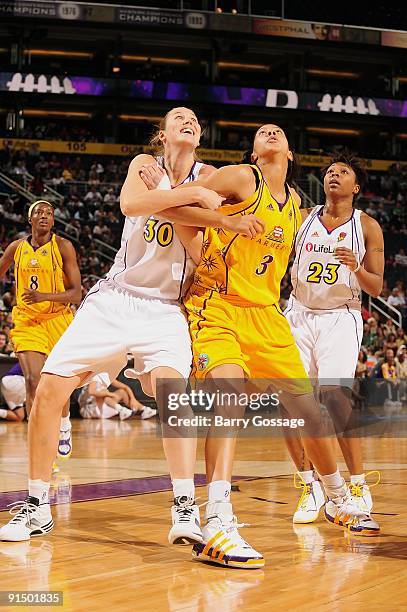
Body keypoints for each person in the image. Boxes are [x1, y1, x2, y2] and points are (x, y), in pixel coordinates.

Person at [0, 108, 257, 543]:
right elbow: (131, 205)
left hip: (165, 309)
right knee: (48, 390)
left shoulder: (209, 173)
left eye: (194, 119)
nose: (188, 121)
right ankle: (38, 504)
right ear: (163, 132)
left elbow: (193, 241)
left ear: (200, 136)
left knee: (173, 396)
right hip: (115, 299)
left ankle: (183, 507)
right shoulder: (144, 165)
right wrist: (210, 211)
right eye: (179, 117)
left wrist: (206, 212)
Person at [168, 126, 380, 569]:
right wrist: (223, 221)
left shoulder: (296, 210)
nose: (269, 132)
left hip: (268, 315)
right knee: (229, 398)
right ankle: (218, 518)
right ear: (254, 151)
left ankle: (338, 497)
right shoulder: (243, 177)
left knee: (310, 412)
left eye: (278, 132)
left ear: (290, 152)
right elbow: (178, 205)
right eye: (263, 132)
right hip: (218, 305)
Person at [283, 152, 384, 523]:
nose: (333, 176)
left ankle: (357, 483)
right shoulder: (304, 218)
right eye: (329, 171)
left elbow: (376, 284)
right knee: (290, 400)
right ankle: (308, 486)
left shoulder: (367, 226)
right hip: (298, 313)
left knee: (335, 397)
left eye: (342, 172)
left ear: (355, 187)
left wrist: (356, 267)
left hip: (340, 317)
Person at [0, 200, 82, 464]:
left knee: (59, 382)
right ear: (30, 219)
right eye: (39, 212)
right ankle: (38, 441)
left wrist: (43, 296)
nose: (44, 216)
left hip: (58, 319)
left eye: (49, 213)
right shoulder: (16, 248)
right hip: (27, 320)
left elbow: (76, 293)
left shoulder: (63, 247)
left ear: (53, 221)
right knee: (33, 380)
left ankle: (65, 423)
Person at [78, 373, 156, 420]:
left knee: (122, 392)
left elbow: (125, 387)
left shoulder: (107, 375)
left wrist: (133, 399)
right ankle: (121, 410)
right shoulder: (95, 376)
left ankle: (144, 409)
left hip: (102, 406)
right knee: (105, 394)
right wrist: (109, 394)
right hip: (89, 408)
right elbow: (92, 392)